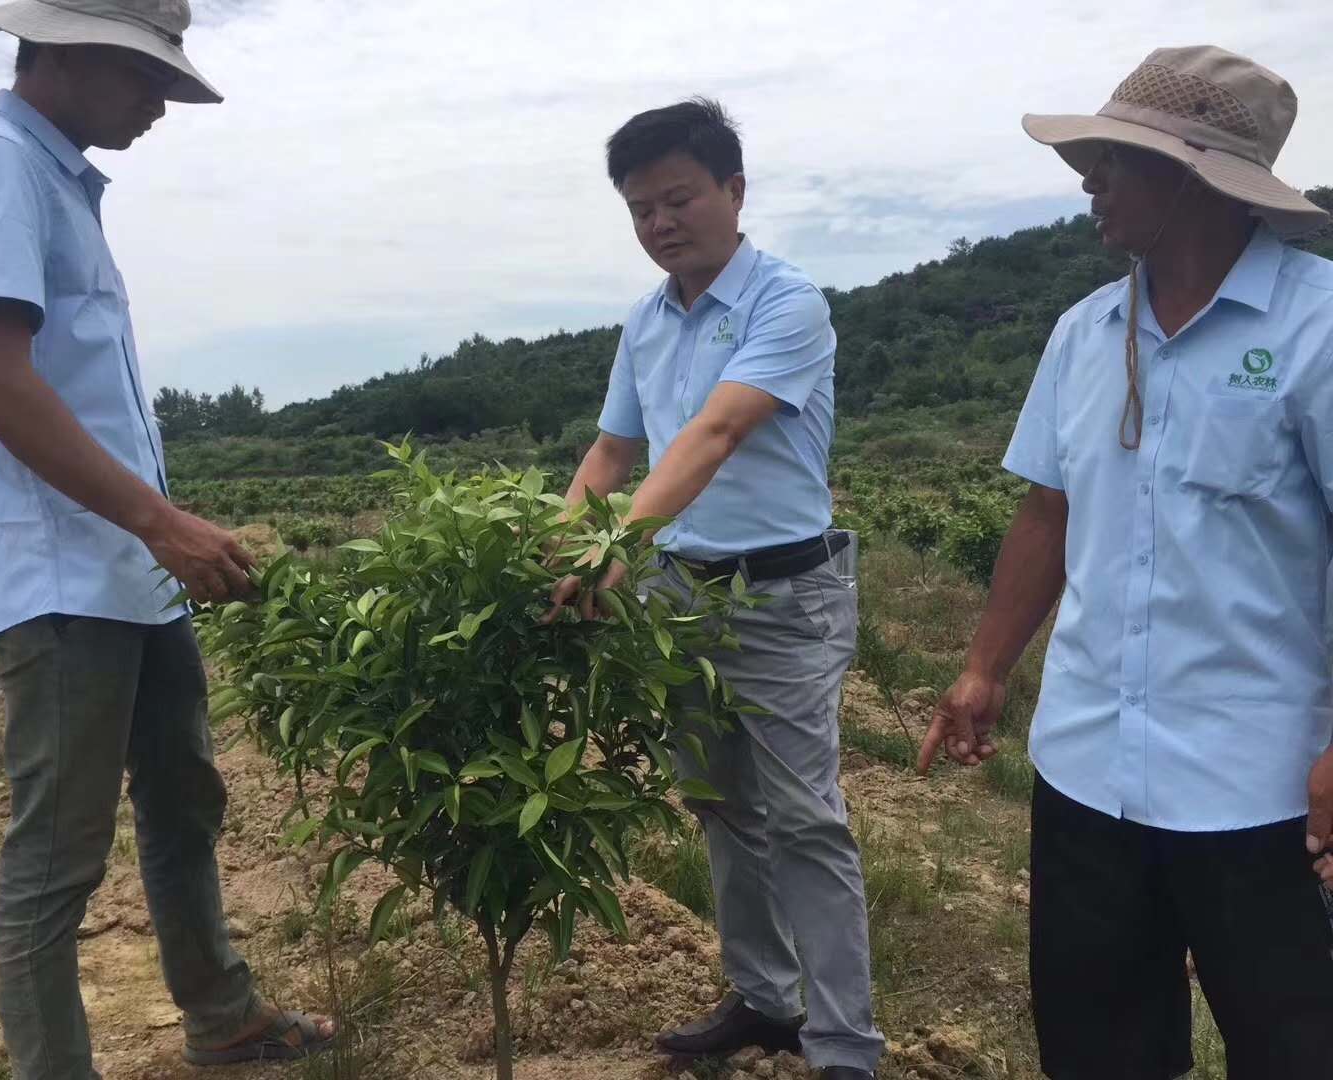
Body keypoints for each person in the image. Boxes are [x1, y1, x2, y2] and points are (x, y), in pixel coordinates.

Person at [0, 2, 334, 1075]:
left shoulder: (57, 183)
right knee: (57, 860)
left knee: (184, 795)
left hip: (122, 572)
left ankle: (223, 1013)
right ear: (62, 50)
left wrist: (162, 535)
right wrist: (163, 520)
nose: (159, 103)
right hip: (62, 582)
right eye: (146, 77)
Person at [919, 46, 1333, 1080]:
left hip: (1265, 789)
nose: (1088, 179)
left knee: (1296, 1046)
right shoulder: (1085, 332)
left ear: (1197, 175)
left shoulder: (1317, 329)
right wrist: (984, 668)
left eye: (1114, 159)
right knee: (1099, 1047)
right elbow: (1048, 511)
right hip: (1088, 767)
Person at [548, 98, 883, 1080]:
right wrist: (569, 545)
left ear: (734, 192)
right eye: (641, 208)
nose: (660, 223)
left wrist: (621, 539)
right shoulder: (646, 321)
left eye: (678, 198)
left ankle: (844, 1048)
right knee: (721, 806)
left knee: (805, 819)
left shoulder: (789, 303)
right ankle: (766, 997)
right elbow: (613, 447)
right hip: (681, 597)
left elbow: (715, 433)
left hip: (781, 598)